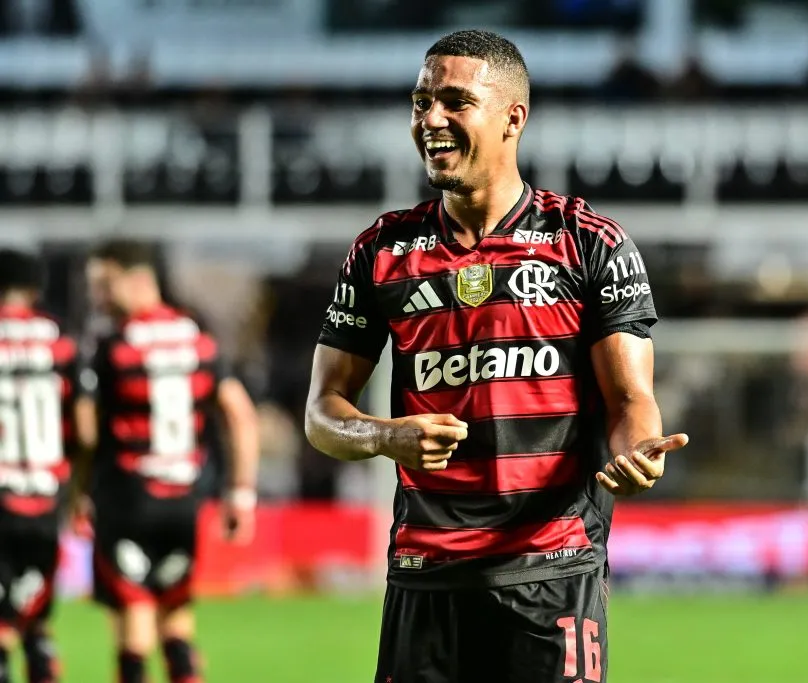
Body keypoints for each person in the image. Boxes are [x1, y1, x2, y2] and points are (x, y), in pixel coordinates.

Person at [305, 29, 687, 683]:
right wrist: (381, 434)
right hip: (427, 575)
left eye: (455, 101)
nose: (431, 119)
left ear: (514, 117)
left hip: (552, 572)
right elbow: (321, 412)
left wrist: (635, 450)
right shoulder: (382, 250)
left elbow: (630, 398)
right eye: (421, 102)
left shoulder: (587, 244)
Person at [76, 240, 260, 683]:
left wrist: (79, 490)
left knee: (134, 622)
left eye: (104, 285)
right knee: (176, 617)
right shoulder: (197, 337)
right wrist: (241, 493)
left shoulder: (113, 344)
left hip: (126, 497)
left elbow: (85, 431)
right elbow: (240, 414)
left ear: (139, 279)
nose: (97, 297)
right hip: (184, 500)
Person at [0, 249, 85, 683]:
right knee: (35, 618)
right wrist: (80, 491)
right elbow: (85, 429)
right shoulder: (59, 339)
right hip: (44, 498)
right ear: (34, 290)